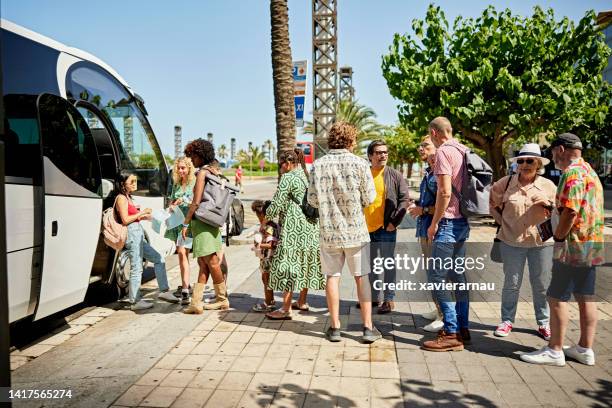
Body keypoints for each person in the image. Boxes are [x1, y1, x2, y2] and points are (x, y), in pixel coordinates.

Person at [521, 133, 604, 367]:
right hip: (591, 244)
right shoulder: (589, 170)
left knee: (556, 296)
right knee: (586, 296)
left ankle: (554, 350)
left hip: (572, 245)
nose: (553, 158)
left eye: (553, 153)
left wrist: (558, 236)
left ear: (560, 149)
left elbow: (570, 211)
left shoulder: (572, 173)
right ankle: (585, 349)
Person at [308, 121, 381, 344]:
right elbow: (369, 198)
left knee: (333, 277)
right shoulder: (360, 164)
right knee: (362, 278)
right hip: (355, 232)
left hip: (329, 231)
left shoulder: (318, 166)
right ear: (351, 140)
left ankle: (335, 327)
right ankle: (368, 328)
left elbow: (311, 199)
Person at [489, 143, 556, 340]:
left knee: (541, 284)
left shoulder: (548, 185)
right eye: (521, 160)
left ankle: (543, 323)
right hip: (512, 242)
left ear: (538, 164)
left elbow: (558, 209)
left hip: (541, 243)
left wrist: (547, 203)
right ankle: (507, 321)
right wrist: (504, 223)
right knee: (512, 283)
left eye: (530, 161)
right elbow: (492, 203)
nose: (525, 164)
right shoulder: (506, 183)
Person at [421, 117, 471, 352]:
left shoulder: (443, 153)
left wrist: (434, 223)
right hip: (464, 222)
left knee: (436, 277)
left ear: (434, 132)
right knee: (458, 277)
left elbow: (444, 192)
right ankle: (463, 327)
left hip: (448, 224)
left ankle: (451, 331)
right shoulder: (464, 150)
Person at [265, 148, 324, 320]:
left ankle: (285, 308)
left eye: (281, 165)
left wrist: (265, 219)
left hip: (294, 226)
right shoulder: (306, 175)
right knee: (304, 262)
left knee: (289, 264)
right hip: (311, 225)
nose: (280, 168)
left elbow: (277, 202)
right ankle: (302, 301)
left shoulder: (288, 177)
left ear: (289, 163)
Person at [114, 171, 179, 310]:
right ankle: (135, 301)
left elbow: (134, 218)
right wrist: (141, 213)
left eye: (135, 181)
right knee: (136, 267)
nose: (134, 184)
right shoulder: (121, 198)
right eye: (131, 182)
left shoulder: (128, 197)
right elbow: (125, 220)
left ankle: (164, 291)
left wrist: (153, 216)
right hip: (132, 235)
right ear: (122, 184)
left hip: (138, 233)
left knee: (158, 258)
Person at [181, 139, 229, 313]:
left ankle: (222, 299)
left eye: (193, 156)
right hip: (211, 220)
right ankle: (196, 302)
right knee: (204, 262)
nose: (191, 160)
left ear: (200, 155)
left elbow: (195, 202)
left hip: (202, 222)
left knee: (212, 261)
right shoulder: (214, 171)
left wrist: (185, 223)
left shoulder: (202, 173)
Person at [363, 140, 410, 314]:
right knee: (371, 265)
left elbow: (404, 200)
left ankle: (389, 299)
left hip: (386, 228)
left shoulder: (394, 175)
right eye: (378, 152)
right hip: (366, 229)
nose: (383, 155)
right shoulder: (364, 174)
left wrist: (394, 223)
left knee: (387, 264)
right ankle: (375, 298)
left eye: (385, 152)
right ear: (370, 156)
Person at [409, 136, 443, 332]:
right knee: (431, 272)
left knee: (439, 273)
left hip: (434, 229)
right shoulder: (430, 171)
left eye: (425, 145)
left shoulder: (439, 172)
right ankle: (438, 308)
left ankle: (444, 315)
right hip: (426, 228)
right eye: (420, 145)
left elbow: (444, 202)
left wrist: (424, 210)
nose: (421, 149)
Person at [166, 157, 196, 305]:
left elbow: (197, 200)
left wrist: (184, 200)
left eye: (183, 168)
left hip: (191, 223)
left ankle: (189, 287)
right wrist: (172, 206)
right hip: (178, 222)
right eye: (178, 168)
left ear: (189, 168)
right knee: (182, 253)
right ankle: (185, 288)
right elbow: (172, 201)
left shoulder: (194, 182)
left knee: (194, 256)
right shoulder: (177, 184)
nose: (180, 170)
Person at [251, 200, 280, 312]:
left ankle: (268, 303)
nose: (258, 218)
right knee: (266, 279)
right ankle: (270, 300)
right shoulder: (269, 225)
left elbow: (271, 244)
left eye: (258, 215)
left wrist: (258, 244)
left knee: (266, 280)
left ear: (263, 214)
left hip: (268, 258)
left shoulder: (268, 227)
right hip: (266, 258)